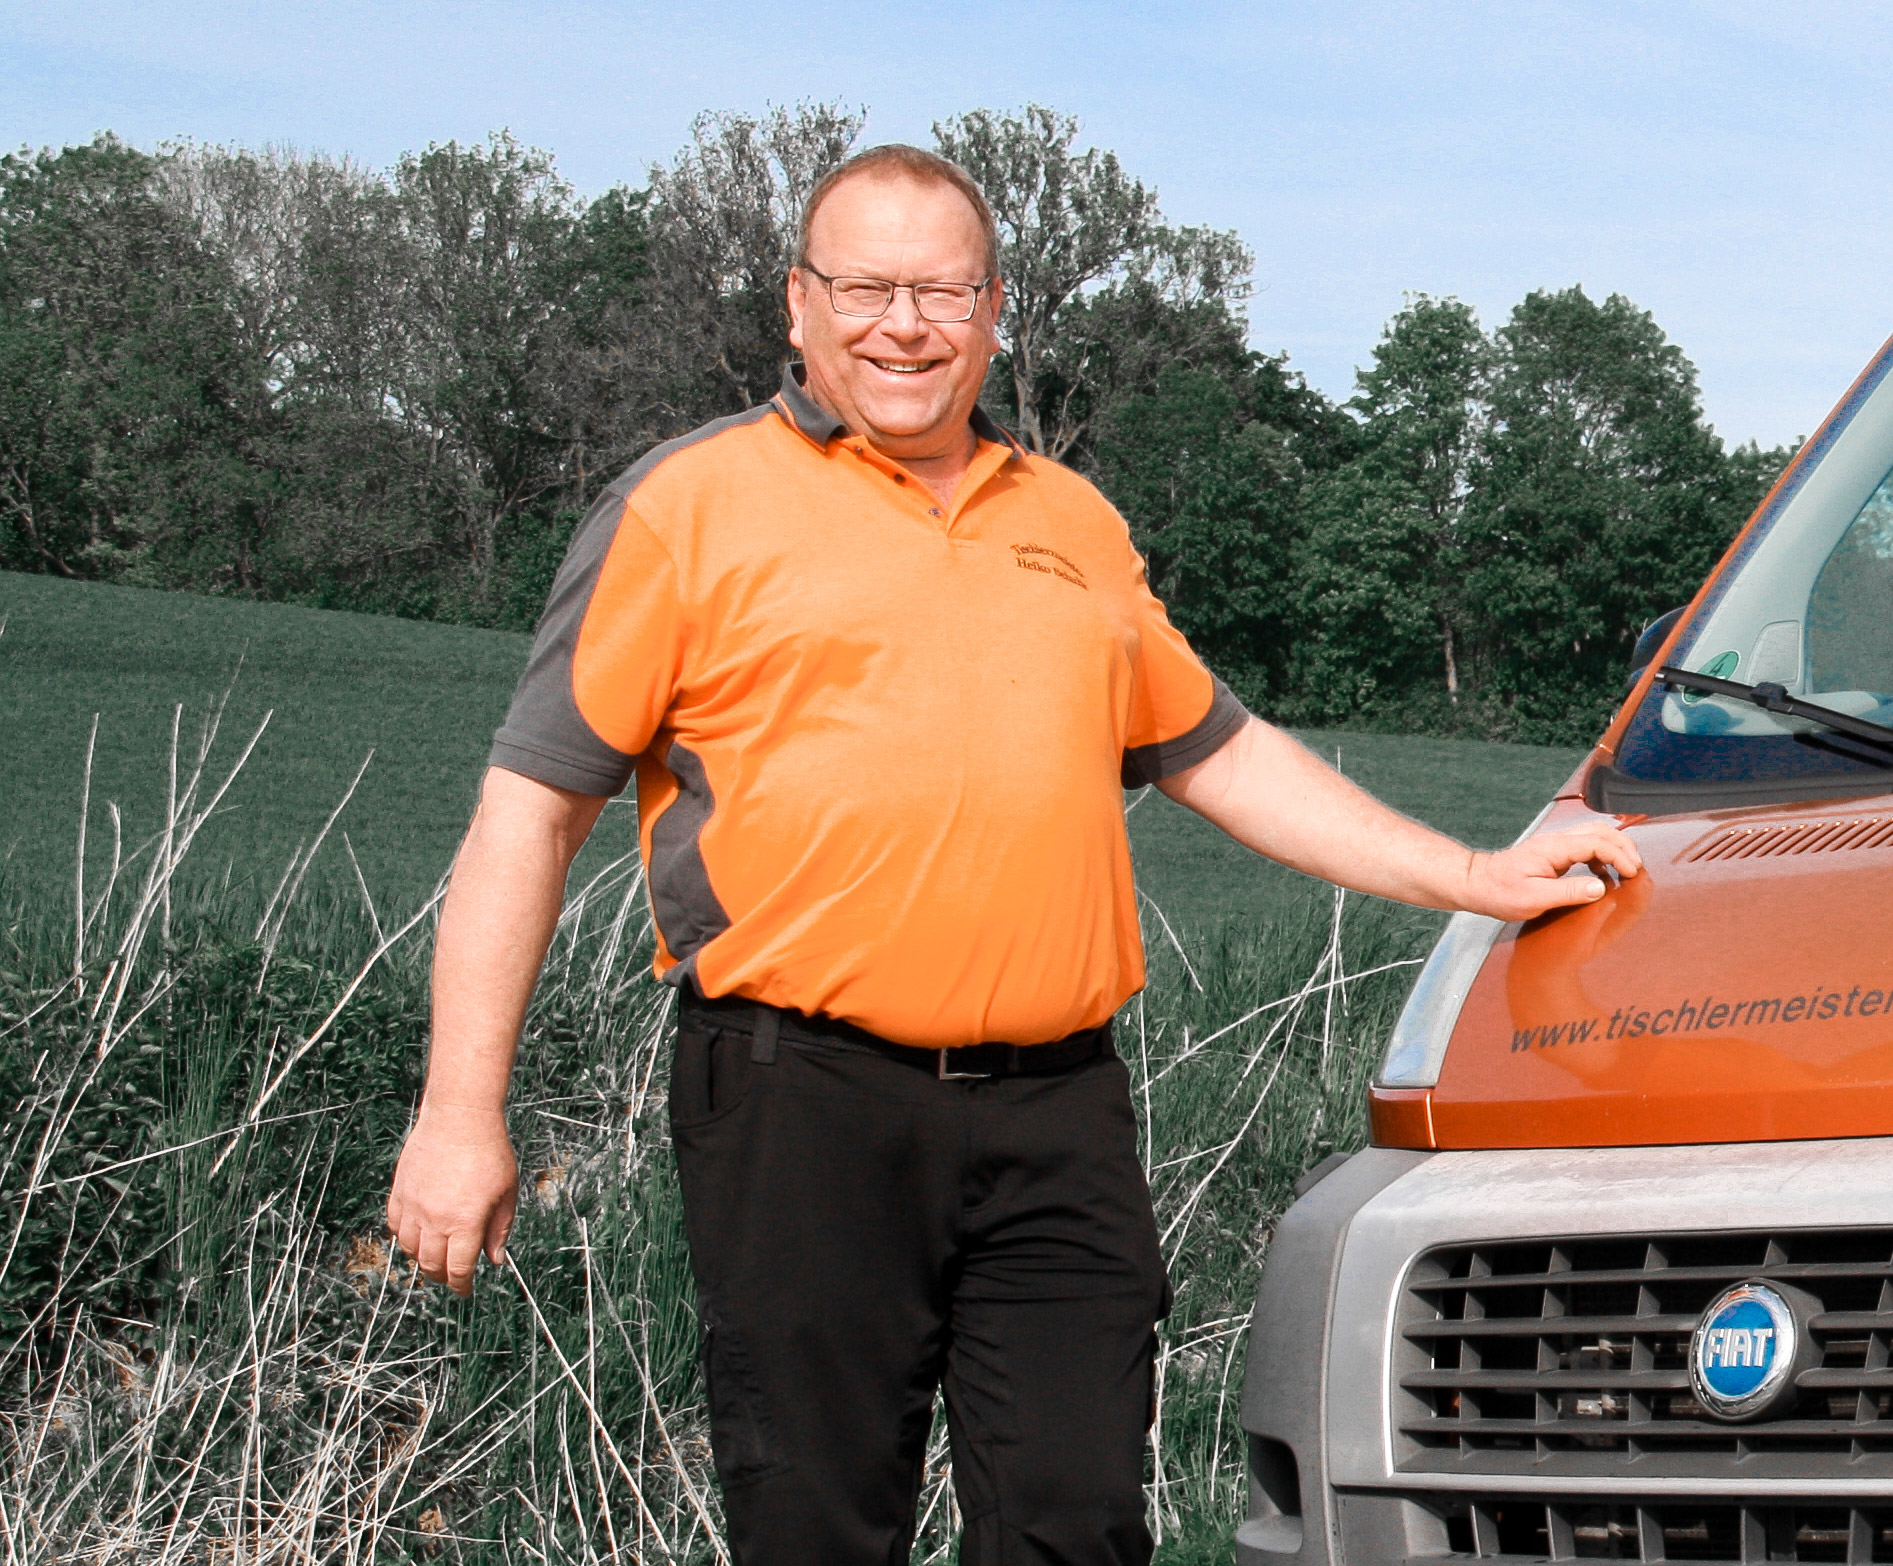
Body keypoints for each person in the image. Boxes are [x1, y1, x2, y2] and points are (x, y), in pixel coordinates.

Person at [385, 144, 1641, 1566]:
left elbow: (1214, 751)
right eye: (864, 286)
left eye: (940, 289)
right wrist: (457, 1112)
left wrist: (1471, 873)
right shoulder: (685, 507)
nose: (901, 324)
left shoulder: (1072, 523)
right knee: (814, 1520)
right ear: (798, 304)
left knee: (1078, 1518)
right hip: (800, 1099)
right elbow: (528, 812)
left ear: (994, 310)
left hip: (1057, 1112)